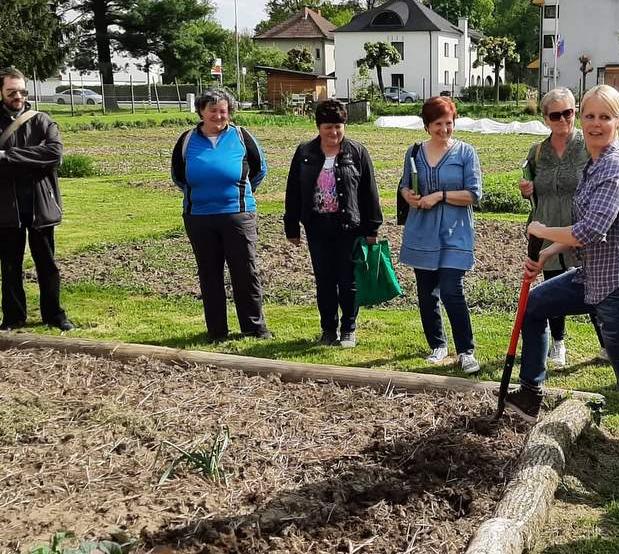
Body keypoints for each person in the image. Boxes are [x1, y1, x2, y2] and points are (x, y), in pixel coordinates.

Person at [503, 84, 619, 499]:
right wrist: (549, 251)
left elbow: (589, 231)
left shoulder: (615, 165)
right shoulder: (594, 161)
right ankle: (531, 392)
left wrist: (539, 230)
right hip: (595, 277)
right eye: (589, 116)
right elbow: (581, 234)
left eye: (605, 117)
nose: (595, 124)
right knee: (535, 306)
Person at [0, 67, 74, 332]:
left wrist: (7, 155)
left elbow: (54, 155)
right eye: (11, 92)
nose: (18, 96)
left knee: (47, 265)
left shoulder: (42, 121)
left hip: (40, 203)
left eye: (22, 91)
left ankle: (54, 315)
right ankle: (13, 317)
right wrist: (32, 159)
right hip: (6, 206)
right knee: (9, 265)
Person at [170, 89, 269, 343]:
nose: (218, 115)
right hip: (199, 217)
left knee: (245, 272)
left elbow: (259, 170)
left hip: (237, 215)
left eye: (223, 110)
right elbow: (179, 177)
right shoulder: (187, 140)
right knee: (209, 274)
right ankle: (216, 331)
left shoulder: (241, 136)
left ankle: (254, 327)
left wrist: (238, 193)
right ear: (201, 111)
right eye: (212, 110)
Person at [284, 99, 382, 347]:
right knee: (324, 282)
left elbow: (369, 192)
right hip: (317, 227)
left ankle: (349, 328)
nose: (334, 132)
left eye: (338, 126)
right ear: (318, 127)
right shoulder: (305, 152)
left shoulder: (356, 152)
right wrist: (292, 226)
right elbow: (293, 191)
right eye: (328, 126)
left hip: (348, 227)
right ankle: (328, 330)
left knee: (348, 282)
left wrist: (372, 228)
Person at [399, 95, 483, 374]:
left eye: (449, 123)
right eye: (438, 124)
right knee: (426, 293)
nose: (444, 129)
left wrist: (439, 196)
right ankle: (438, 346)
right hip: (422, 231)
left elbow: (473, 194)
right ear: (427, 126)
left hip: (455, 231)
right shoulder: (413, 153)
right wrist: (408, 195)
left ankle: (466, 351)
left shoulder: (466, 153)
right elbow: (403, 186)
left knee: (451, 290)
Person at [518, 87, 600, 366]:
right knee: (551, 289)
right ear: (545, 118)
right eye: (556, 115)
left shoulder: (588, 147)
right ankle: (558, 344)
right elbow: (531, 190)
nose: (563, 119)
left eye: (568, 112)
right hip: (548, 227)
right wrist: (526, 190)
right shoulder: (538, 152)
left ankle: (607, 345)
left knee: (593, 289)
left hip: (581, 229)